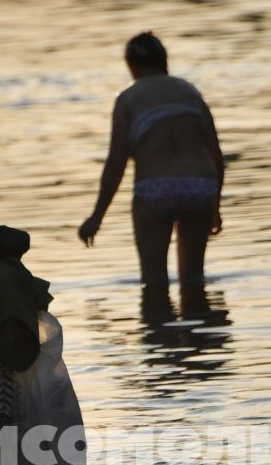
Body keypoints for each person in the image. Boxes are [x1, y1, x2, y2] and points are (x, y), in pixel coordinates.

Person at [77, 32, 226, 309]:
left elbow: (116, 163)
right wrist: (214, 206)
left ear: (131, 65)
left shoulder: (128, 99)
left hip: (155, 191)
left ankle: (161, 343)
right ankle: (199, 341)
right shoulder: (190, 91)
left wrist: (96, 217)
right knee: (193, 280)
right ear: (164, 60)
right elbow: (216, 155)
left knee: (154, 283)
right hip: (199, 187)